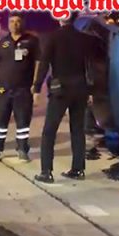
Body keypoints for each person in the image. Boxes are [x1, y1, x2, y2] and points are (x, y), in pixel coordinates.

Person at [33, 11, 96, 184]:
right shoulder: (84, 38)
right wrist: (91, 90)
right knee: (77, 129)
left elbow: (44, 63)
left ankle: (46, 171)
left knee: (49, 130)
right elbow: (90, 66)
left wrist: (37, 88)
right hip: (80, 88)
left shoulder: (53, 37)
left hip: (61, 89)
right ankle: (78, 169)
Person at [0, 12, 41, 162]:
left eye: (17, 21)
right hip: (3, 89)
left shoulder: (32, 41)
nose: (14, 24)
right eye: (11, 21)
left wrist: (35, 85)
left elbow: (38, 63)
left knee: (23, 121)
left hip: (23, 89)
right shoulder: (3, 42)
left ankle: (22, 149)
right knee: (0, 120)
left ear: (23, 23)